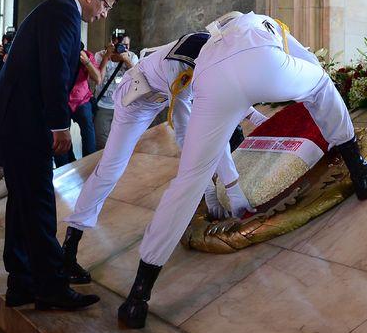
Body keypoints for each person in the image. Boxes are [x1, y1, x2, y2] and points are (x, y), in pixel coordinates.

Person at [117, 11, 367, 329]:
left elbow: (220, 108)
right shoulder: (271, 24)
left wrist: (219, 186)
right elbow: (310, 70)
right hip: (259, 59)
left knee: (187, 181)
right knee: (320, 85)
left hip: (210, 78)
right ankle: (360, 173)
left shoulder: (213, 41)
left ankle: (138, 295)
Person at [60, 32, 266, 284]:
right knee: (111, 168)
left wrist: (259, 118)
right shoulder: (181, 64)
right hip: (135, 100)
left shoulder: (218, 54)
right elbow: (189, 134)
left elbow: (227, 89)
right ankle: (68, 250)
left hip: (159, 95)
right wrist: (213, 188)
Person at [0, 0, 119, 312]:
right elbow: (52, 70)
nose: (103, 15)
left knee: (22, 204)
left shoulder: (55, 10)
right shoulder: (62, 13)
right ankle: (51, 287)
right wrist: (59, 125)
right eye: (106, 6)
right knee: (38, 204)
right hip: (28, 122)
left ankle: (22, 283)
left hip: (18, 120)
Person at [53, 42, 101, 167]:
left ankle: (89, 164)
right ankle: (64, 166)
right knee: (61, 133)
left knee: (88, 131)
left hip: (82, 100)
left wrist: (86, 62)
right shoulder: (58, 55)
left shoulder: (87, 55)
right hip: (62, 102)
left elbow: (98, 79)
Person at [93, 32, 138, 149]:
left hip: (123, 107)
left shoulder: (132, 57)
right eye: (121, 45)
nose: (124, 48)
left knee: (121, 144)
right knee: (102, 144)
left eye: (127, 45)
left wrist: (127, 61)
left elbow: (138, 80)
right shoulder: (100, 55)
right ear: (112, 43)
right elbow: (98, 80)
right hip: (103, 106)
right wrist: (107, 57)